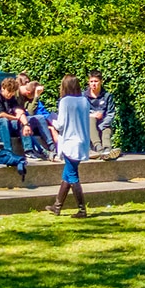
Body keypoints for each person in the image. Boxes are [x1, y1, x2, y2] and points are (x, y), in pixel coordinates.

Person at [47, 75, 92, 217]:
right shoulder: (85, 100)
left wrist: (51, 121)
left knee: (72, 176)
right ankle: (57, 206)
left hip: (70, 142)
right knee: (67, 174)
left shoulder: (65, 101)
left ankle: (82, 210)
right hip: (82, 142)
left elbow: (60, 124)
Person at [0, 80, 30, 169]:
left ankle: (29, 150)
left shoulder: (11, 98)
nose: (10, 94)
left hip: (6, 125)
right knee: (3, 120)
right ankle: (7, 151)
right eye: (8, 91)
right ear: (3, 88)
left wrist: (26, 124)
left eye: (12, 92)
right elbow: (0, 114)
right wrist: (15, 117)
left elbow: (18, 110)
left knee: (21, 122)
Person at [85, 73, 118, 157]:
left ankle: (107, 149)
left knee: (107, 130)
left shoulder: (107, 96)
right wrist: (91, 115)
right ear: (88, 82)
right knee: (91, 119)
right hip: (89, 125)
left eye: (96, 81)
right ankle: (98, 147)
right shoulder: (83, 96)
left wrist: (101, 126)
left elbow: (110, 114)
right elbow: (80, 113)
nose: (93, 84)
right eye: (91, 81)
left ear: (101, 82)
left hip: (103, 124)